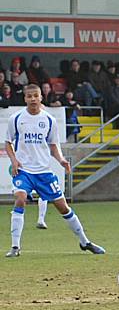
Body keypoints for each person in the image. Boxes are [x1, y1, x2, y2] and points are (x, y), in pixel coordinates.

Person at [4, 84, 105, 257]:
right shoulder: (16, 118)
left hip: (44, 172)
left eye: (36, 96)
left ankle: (85, 242)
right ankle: (15, 247)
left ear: (41, 97)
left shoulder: (49, 120)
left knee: (63, 207)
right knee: (20, 199)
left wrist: (61, 160)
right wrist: (14, 161)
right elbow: (8, 143)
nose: (33, 99)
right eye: (29, 96)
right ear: (25, 99)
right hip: (24, 171)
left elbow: (53, 146)